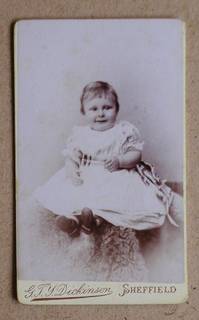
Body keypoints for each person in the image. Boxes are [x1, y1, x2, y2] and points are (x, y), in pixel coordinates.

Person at [35, 81, 179, 238]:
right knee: (74, 195)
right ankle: (73, 220)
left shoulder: (123, 131)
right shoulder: (81, 134)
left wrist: (120, 161)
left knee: (112, 199)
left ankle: (94, 221)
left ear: (116, 108)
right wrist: (72, 170)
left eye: (107, 108)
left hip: (115, 173)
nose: (101, 114)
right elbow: (72, 156)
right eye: (94, 109)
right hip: (87, 173)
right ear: (84, 111)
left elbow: (135, 155)